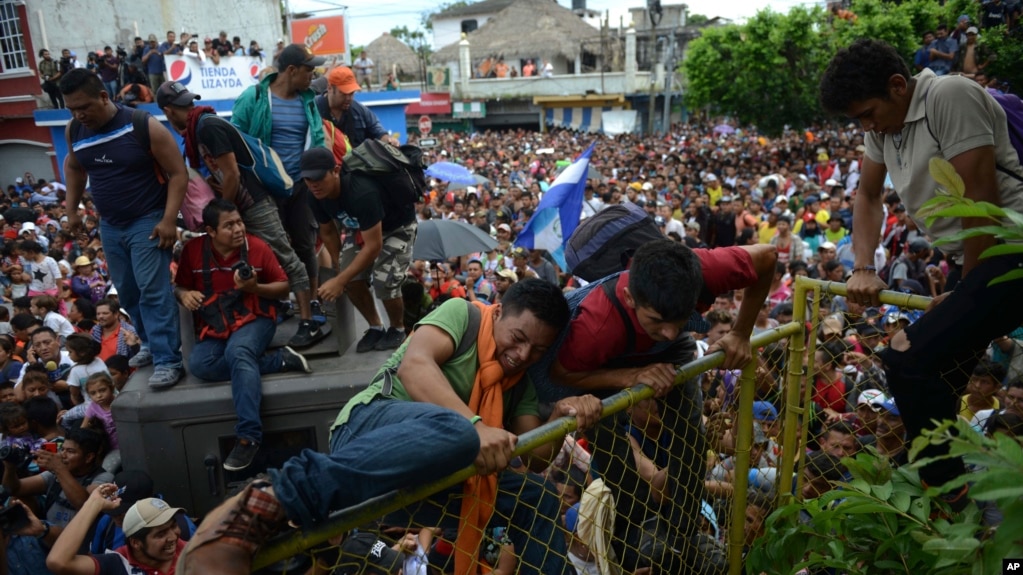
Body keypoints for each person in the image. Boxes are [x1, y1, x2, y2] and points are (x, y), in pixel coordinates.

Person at [177, 279, 602, 575]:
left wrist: (559, 417)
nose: (523, 354)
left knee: (538, 497)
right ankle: (266, 502)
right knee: (454, 431)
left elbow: (533, 455)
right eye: (518, 337)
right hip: (371, 429)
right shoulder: (464, 314)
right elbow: (416, 368)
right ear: (500, 310)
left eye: (537, 350)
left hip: (434, 474)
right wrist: (473, 425)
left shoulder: (518, 382)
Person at [820, 39, 1023, 508]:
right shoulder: (882, 127)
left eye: (868, 113)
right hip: (969, 260)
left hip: (1008, 249)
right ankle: (953, 482)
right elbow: (867, 196)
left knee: (904, 359)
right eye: (858, 120)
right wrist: (865, 267)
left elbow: (981, 201)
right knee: (943, 377)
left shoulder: (948, 96)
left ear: (897, 86)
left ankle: (951, 500)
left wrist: (967, 291)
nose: (866, 126)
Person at [530, 239, 776, 572]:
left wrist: (741, 333)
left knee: (690, 438)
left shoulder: (704, 270)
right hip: (605, 367)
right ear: (631, 297)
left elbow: (767, 256)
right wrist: (631, 376)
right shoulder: (595, 325)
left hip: (670, 358)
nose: (669, 330)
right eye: (657, 319)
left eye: (681, 316)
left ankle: (683, 533)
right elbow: (563, 372)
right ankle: (637, 531)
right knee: (608, 439)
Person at [158, 81, 322, 347]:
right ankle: (276, 308)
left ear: (168, 112)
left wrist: (225, 210)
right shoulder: (197, 129)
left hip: (253, 202)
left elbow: (232, 173)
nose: (188, 109)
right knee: (251, 258)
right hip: (240, 205)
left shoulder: (207, 126)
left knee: (286, 257)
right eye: (184, 104)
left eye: (188, 104)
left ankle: (308, 322)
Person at [59, 68, 185, 389]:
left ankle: (169, 359)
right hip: (110, 225)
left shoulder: (143, 125)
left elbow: (178, 173)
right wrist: (71, 211)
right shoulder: (75, 130)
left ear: (104, 96)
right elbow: (74, 167)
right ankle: (147, 343)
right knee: (127, 290)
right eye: (72, 108)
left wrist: (169, 219)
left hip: (148, 219)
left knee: (152, 289)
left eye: (84, 106)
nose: (79, 114)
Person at [175, 199, 312, 471]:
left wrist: (255, 287)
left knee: (238, 352)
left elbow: (284, 288)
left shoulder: (257, 247)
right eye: (229, 225)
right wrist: (184, 294)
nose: (238, 229)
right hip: (216, 324)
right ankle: (279, 361)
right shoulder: (193, 251)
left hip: (256, 319)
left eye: (239, 222)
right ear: (210, 231)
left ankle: (249, 437)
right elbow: (178, 287)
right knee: (200, 365)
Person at [232, 44, 327, 349]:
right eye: (309, 69)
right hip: (264, 186)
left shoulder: (309, 100)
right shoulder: (255, 97)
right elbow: (234, 137)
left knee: (304, 244)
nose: (313, 75)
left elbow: (318, 138)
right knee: (272, 249)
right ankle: (281, 303)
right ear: (291, 70)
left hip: (301, 184)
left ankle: (311, 304)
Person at [301, 147, 417, 353]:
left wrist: (340, 279)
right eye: (308, 179)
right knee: (351, 280)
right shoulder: (314, 196)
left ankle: (398, 328)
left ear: (335, 171)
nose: (313, 184)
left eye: (318, 178)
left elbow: (374, 246)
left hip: (397, 226)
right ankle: (375, 326)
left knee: (385, 280)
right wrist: (340, 268)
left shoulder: (362, 192)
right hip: (361, 228)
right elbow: (327, 232)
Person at [46, 485, 188, 574]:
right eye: (161, 534)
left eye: (173, 526)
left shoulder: (192, 552)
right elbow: (58, 562)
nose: (173, 537)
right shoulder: (117, 564)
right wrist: (93, 505)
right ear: (136, 543)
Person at [317, 66, 395, 149]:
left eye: (351, 93)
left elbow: (377, 130)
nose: (348, 98)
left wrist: (389, 141)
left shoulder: (359, 111)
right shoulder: (313, 108)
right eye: (343, 94)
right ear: (330, 88)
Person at [90, 298, 139, 362]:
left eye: (105, 313)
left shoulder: (129, 332)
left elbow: (140, 358)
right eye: (98, 314)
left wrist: (134, 346)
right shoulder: (94, 332)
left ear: (116, 314)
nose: (100, 316)